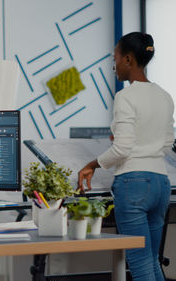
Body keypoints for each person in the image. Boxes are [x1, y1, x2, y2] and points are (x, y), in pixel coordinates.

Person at [78, 32, 174, 281]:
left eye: (116, 58)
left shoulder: (125, 97)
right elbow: (167, 142)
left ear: (129, 60)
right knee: (152, 260)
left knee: (140, 263)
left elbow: (122, 149)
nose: (114, 65)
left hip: (133, 186)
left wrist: (92, 164)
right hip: (161, 183)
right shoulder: (165, 96)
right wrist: (147, 151)